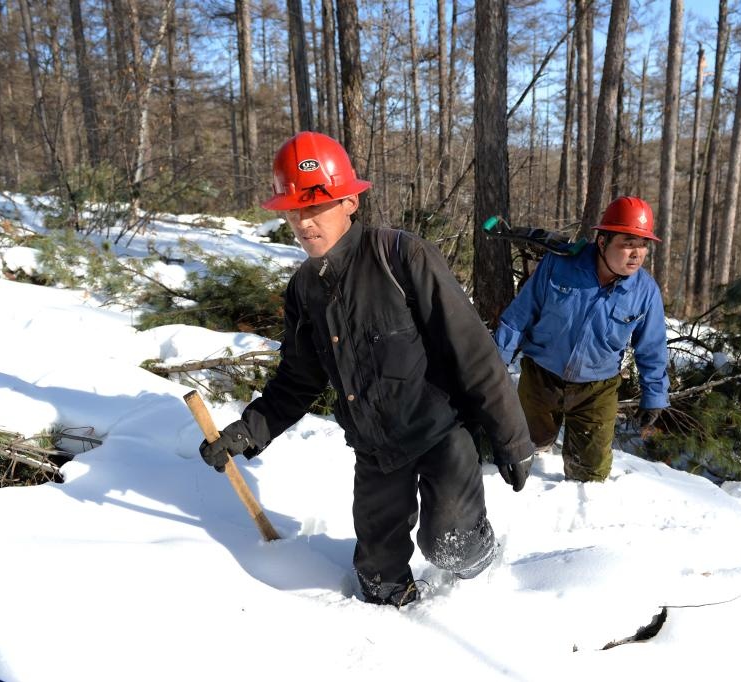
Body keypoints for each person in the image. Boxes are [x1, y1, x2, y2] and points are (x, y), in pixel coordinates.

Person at [199, 131, 534, 607]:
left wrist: (512, 439)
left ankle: (480, 578)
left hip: (439, 434)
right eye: (295, 209)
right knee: (377, 578)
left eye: (317, 207)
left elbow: (473, 350)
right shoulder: (303, 291)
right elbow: (298, 379)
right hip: (376, 450)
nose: (304, 222)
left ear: (350, 201)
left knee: (451, 546)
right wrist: (245, 433)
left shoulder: (401, 257)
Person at [494, 196, 670, 483]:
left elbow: (652, 348)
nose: (637, 253)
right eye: (628, 242)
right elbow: (519, 315)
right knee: (521, 447)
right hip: (541, 377)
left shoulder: (645, 292)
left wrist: (655, 396)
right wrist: (495, 362)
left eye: (643, 245)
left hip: (596, 389)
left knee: (590, 475)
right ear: (602, 242)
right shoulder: (560, 265)